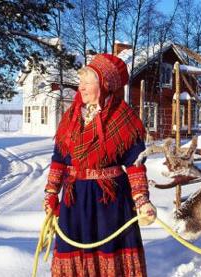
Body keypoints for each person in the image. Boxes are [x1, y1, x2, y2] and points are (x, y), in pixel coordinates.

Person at [43, 53, 157, 276]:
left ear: (104, 85)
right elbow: (58, 160)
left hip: (110, 203)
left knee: (110, 255)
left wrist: (142, 200)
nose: (81, 88)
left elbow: (135, 165)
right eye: (80, 82)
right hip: (73, 201)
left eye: (87, 82)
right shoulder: (70, 117)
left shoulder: (125, 120)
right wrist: (50, 193)